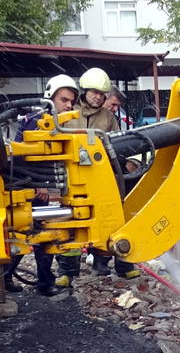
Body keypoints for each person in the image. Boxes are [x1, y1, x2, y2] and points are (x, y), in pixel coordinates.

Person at [53, 68, 139, 282]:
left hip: (102, 178)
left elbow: (119, 146)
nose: (98, 97)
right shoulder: (68, 113)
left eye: (102, 94)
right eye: (94, 93)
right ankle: (67, 273)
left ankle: (114, 265)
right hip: (74, 178)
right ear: (84, 91)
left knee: (111, 220)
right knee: (72, 223)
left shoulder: (109, 117)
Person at [6, 73, 80, 296]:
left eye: (71, 101)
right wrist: (37, 185)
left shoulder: (59, 125)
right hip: (28, 187)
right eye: (64, 100)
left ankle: (37, 281)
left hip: (42, 187)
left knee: (39, 232)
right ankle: (20, 278)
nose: (68, 105)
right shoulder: (35, 120)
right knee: (30, 232)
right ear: (50, 97)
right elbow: (19, 157)